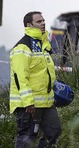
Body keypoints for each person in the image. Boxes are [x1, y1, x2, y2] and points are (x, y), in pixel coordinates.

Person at [10, 11, 62, 147]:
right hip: (28, 105)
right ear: (29, 25)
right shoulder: (22, 47)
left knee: (55, 133)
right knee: (27, 138)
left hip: (46, 103)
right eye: (39, 21)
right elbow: (20, 77)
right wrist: (28, 103)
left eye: (43, 20)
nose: (43, 23)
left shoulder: (43, 45)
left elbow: (46, 74)